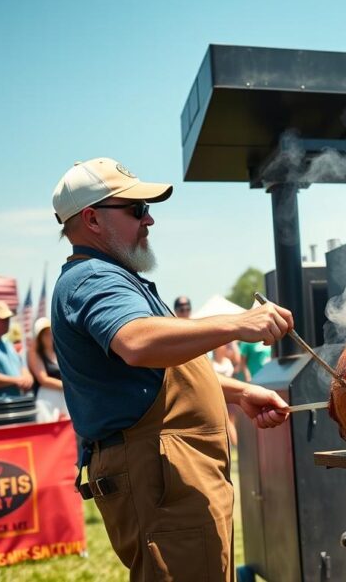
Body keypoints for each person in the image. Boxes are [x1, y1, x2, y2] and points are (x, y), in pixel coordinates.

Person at [49, 157, 294, 581]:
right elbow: (138, 342)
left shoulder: (115, 276)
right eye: (136, 210)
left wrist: (237, 392)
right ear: (91, 218)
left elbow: (159, 374)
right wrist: (240, 323)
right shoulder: (92, 278)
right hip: (159, 473)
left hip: (170, 470)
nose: (149, 219)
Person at [28, 317, 68, 422]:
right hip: (46, 399)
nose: (49, 336)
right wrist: (67, 386)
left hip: (64, 397)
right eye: (45, 334)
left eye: (50, 332)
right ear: (39, 337)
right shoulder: (34, 354)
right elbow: (43, 379)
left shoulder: (60, 352)